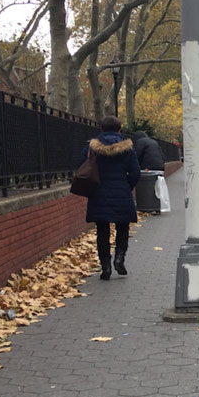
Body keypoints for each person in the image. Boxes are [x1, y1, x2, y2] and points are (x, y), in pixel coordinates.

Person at [79, 116, 141, 281]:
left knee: (102, 230)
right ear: (119, 129)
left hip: (98, 192)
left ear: (102, 129)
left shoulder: (91, 147)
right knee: (122, 227)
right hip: (121, 191)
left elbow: (81, 166)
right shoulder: (128, 148)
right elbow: (135, 172)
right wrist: (126, 186)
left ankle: (105, 266)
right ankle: (119, 258)